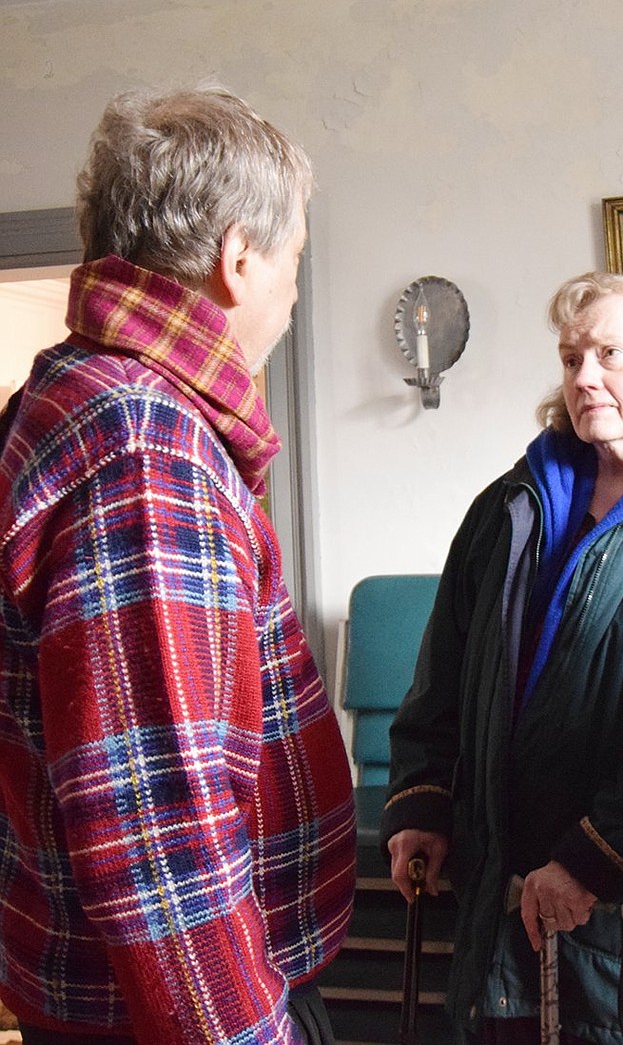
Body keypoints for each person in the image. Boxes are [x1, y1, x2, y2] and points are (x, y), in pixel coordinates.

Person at [0, 86, 356, 1044]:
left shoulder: (91, 391)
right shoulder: (146, 443)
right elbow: (156, 833)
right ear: (239, 260)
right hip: (168, 1018)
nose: (290, 290)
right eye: (294, 259)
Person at [382, 270, 623, 1044]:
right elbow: (445, 673)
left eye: (609, 355)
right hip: (500, 901)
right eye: (570, 359)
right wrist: (422, 803)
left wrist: (596, 860)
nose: (584, 377)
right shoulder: (510, 502)